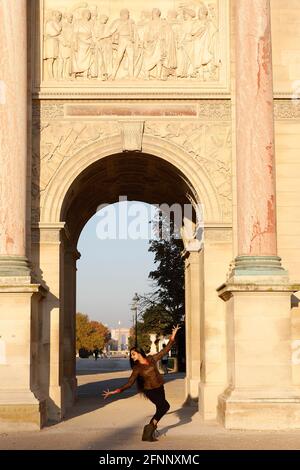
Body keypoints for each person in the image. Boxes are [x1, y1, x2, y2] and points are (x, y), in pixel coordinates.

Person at [102, 324, 181, 442]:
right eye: (131, 355)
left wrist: (173, 336)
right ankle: (149, 429)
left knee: (162, 408)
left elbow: (165, 351)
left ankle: (149, 432)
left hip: (160, 387)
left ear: (139, 353)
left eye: (133, 354)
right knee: (165, 406)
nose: (132, 357)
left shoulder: (151, 359)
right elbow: (129, 383)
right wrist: (116, 391)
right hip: (150, 390)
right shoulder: (137, 369)